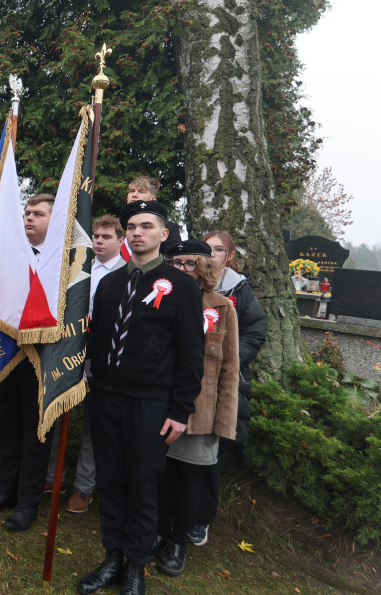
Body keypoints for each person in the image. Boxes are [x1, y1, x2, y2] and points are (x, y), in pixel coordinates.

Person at [78, 199, 203, 595]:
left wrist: (180, 409)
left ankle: (136, 565)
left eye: (146, 226)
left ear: (163, 235)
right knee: (111, 483)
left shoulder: (181, 286)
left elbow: (190, 353)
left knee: (144, 486)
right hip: (106, 398)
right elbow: (97, 339)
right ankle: (112, 556)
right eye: (131, 226)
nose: (137, 232)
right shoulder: (111, 283)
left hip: (151, 405)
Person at [155, 239, 239, 577]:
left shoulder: (222, 308)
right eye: (176, 264)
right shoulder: (159, 296)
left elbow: (231, 368)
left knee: (189, 476)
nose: (182, 270)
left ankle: (177, 540)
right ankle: (158, 530)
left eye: (190, 263)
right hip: (160, 402)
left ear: (205, 267)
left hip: (200, 409)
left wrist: (224, 421)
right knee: (160, 474)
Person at [0, 194, 57, 532]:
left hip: (43, 359)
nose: (28, 218)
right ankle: (5, 491)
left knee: (36, 435)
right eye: (26, 212)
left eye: (37, 214)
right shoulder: (9, 258)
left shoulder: (63, 263)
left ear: (54, 221)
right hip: (8, 354)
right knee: (7, 429)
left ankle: (27, 503)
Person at [185, 229, 266, 546]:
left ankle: (200, 518)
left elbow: (255, 333)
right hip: (186, 378)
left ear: (229, 256)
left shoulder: (240, 290)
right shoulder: (185, 282)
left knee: (207, 453)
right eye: (206, 248)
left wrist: (226, 359)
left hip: (218, 382)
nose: (212, 253)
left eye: (218, 249)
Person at [45, 215, 125, 514]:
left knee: (93, 425)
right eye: (96, 235)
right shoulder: (81, 267)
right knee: (60, 413)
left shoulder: (128, 273)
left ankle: (84, 485)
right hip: (72, 351)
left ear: (120, 241)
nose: (99, 241)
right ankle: (53, 477)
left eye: (106, 236)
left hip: (103, 357)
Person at [124, 176, 181, 256]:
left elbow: (172, 260)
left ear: (153, 199)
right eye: (131, 191)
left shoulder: (169, 228)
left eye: (141, 191)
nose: (134, 195)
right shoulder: (118, 227)